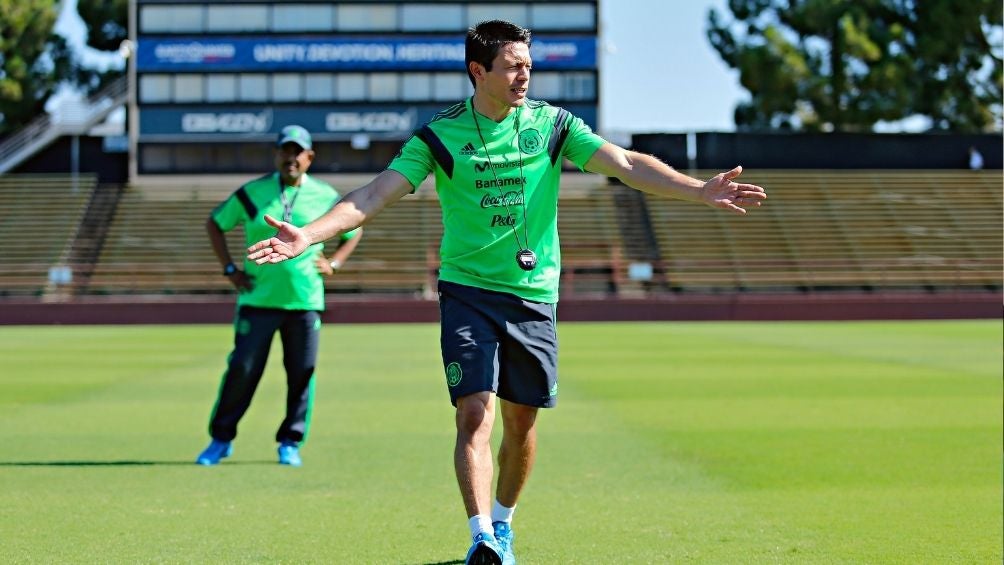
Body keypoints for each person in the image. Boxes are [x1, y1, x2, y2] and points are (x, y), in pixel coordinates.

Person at [248, 20, 766, 564]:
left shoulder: (553, 125)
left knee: (522, 423)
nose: (525, 75)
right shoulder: (439, 136)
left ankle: (504, 522)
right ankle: (481, 537)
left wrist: (698, 190)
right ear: (479, 71)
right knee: (474, 413)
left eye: (528, 65)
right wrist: (307, 234)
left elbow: (626, 164)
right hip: (467, 293)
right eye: (513, 66)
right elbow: (375, 194)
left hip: (532, 296)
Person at [196, 124, 362, 468]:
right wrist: (230, 269)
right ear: (276, 155)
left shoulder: (326, 196)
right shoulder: (251, 193)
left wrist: (334, 262)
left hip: (304, 302)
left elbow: (353, 229)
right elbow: (215, 223)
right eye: (285, 151)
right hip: (257, 300)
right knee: (241, 370)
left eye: (297, 152)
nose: (291, 158)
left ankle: (290, 441)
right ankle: (221, 439)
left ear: (309, 157)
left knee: (302, 372)